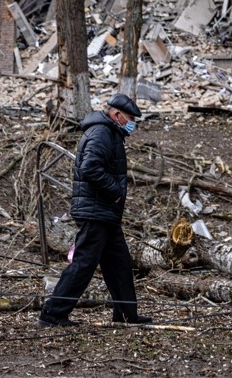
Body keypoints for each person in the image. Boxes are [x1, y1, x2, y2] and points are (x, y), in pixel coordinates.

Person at [38, 93, 152, 327]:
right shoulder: (102, 133)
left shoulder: (111, 133)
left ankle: (125, 314)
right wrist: (116, 191)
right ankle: (52, 313)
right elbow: (90, 168)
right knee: (83, 263)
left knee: (119, 264)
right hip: (95, 210)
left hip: (105, 212)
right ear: (117, 115)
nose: (132, 124)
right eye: (130, 118)